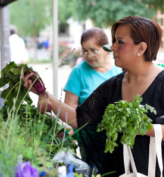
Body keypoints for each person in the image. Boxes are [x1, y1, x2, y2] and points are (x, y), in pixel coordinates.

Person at [23, 16, 164, 176]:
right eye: (114, 41)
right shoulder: (113, 86)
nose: (113, 47)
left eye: (120, 42)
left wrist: (145, 128)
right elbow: (80, 118)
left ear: (141, 48)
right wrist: (42, 92)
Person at [62, 27, 122, 168]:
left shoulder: (120, 68)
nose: (88, 55)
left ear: (107, 49)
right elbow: (69, 107)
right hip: (90, 141)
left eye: (94, 50)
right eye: (85, 51)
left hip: (120, 139)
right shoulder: (78, 72)